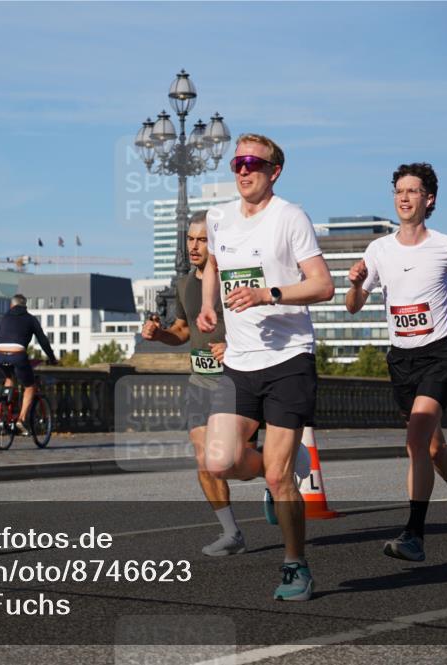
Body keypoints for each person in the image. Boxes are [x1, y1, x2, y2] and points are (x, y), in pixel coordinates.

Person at [197, 133, 335, 601]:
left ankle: (296, 566)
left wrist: (267, 294)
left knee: (277, 477)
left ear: (274, 171)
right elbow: (214, 264)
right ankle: (284, 467)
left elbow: (323, 285)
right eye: (237, 162)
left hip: (288, 358)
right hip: (240, 360)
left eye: (253, 163)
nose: (243, 169)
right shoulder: (218, 217)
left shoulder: (290, 217)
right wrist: (208, 305)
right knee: (219, 460)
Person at [345, 162, 447, 563]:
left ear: (429, 199)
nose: (403, 198)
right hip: (401, 360)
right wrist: (355, 284)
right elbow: (353, 307)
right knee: (433, 448)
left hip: (439, 354)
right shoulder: (379, 250)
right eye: (399, 191)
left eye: (412, 191)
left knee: (415, 441)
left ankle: (414, 535)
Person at [142, 211, 259, 557]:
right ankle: (231, 533)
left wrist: (233, 346)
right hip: (199, 381)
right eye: (190, 239)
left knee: (234, 463)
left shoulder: (233, 279)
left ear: (216, 241)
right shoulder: (184, 285)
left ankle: (277, 466)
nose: (194, 247)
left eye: (203, 240)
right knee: (204, 458)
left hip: (236, 381)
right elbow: (182, 331)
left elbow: (261, 324)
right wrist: (159, 334)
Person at [0, 294, 57, 434]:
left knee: (9, 378)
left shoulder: (4, 317)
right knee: (30, 386)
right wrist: (52, 358)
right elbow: (43, 340)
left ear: (11, 305)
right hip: (18, 354)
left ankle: (2, 413)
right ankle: (21, 420)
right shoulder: (30, 319)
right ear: (25, 306)